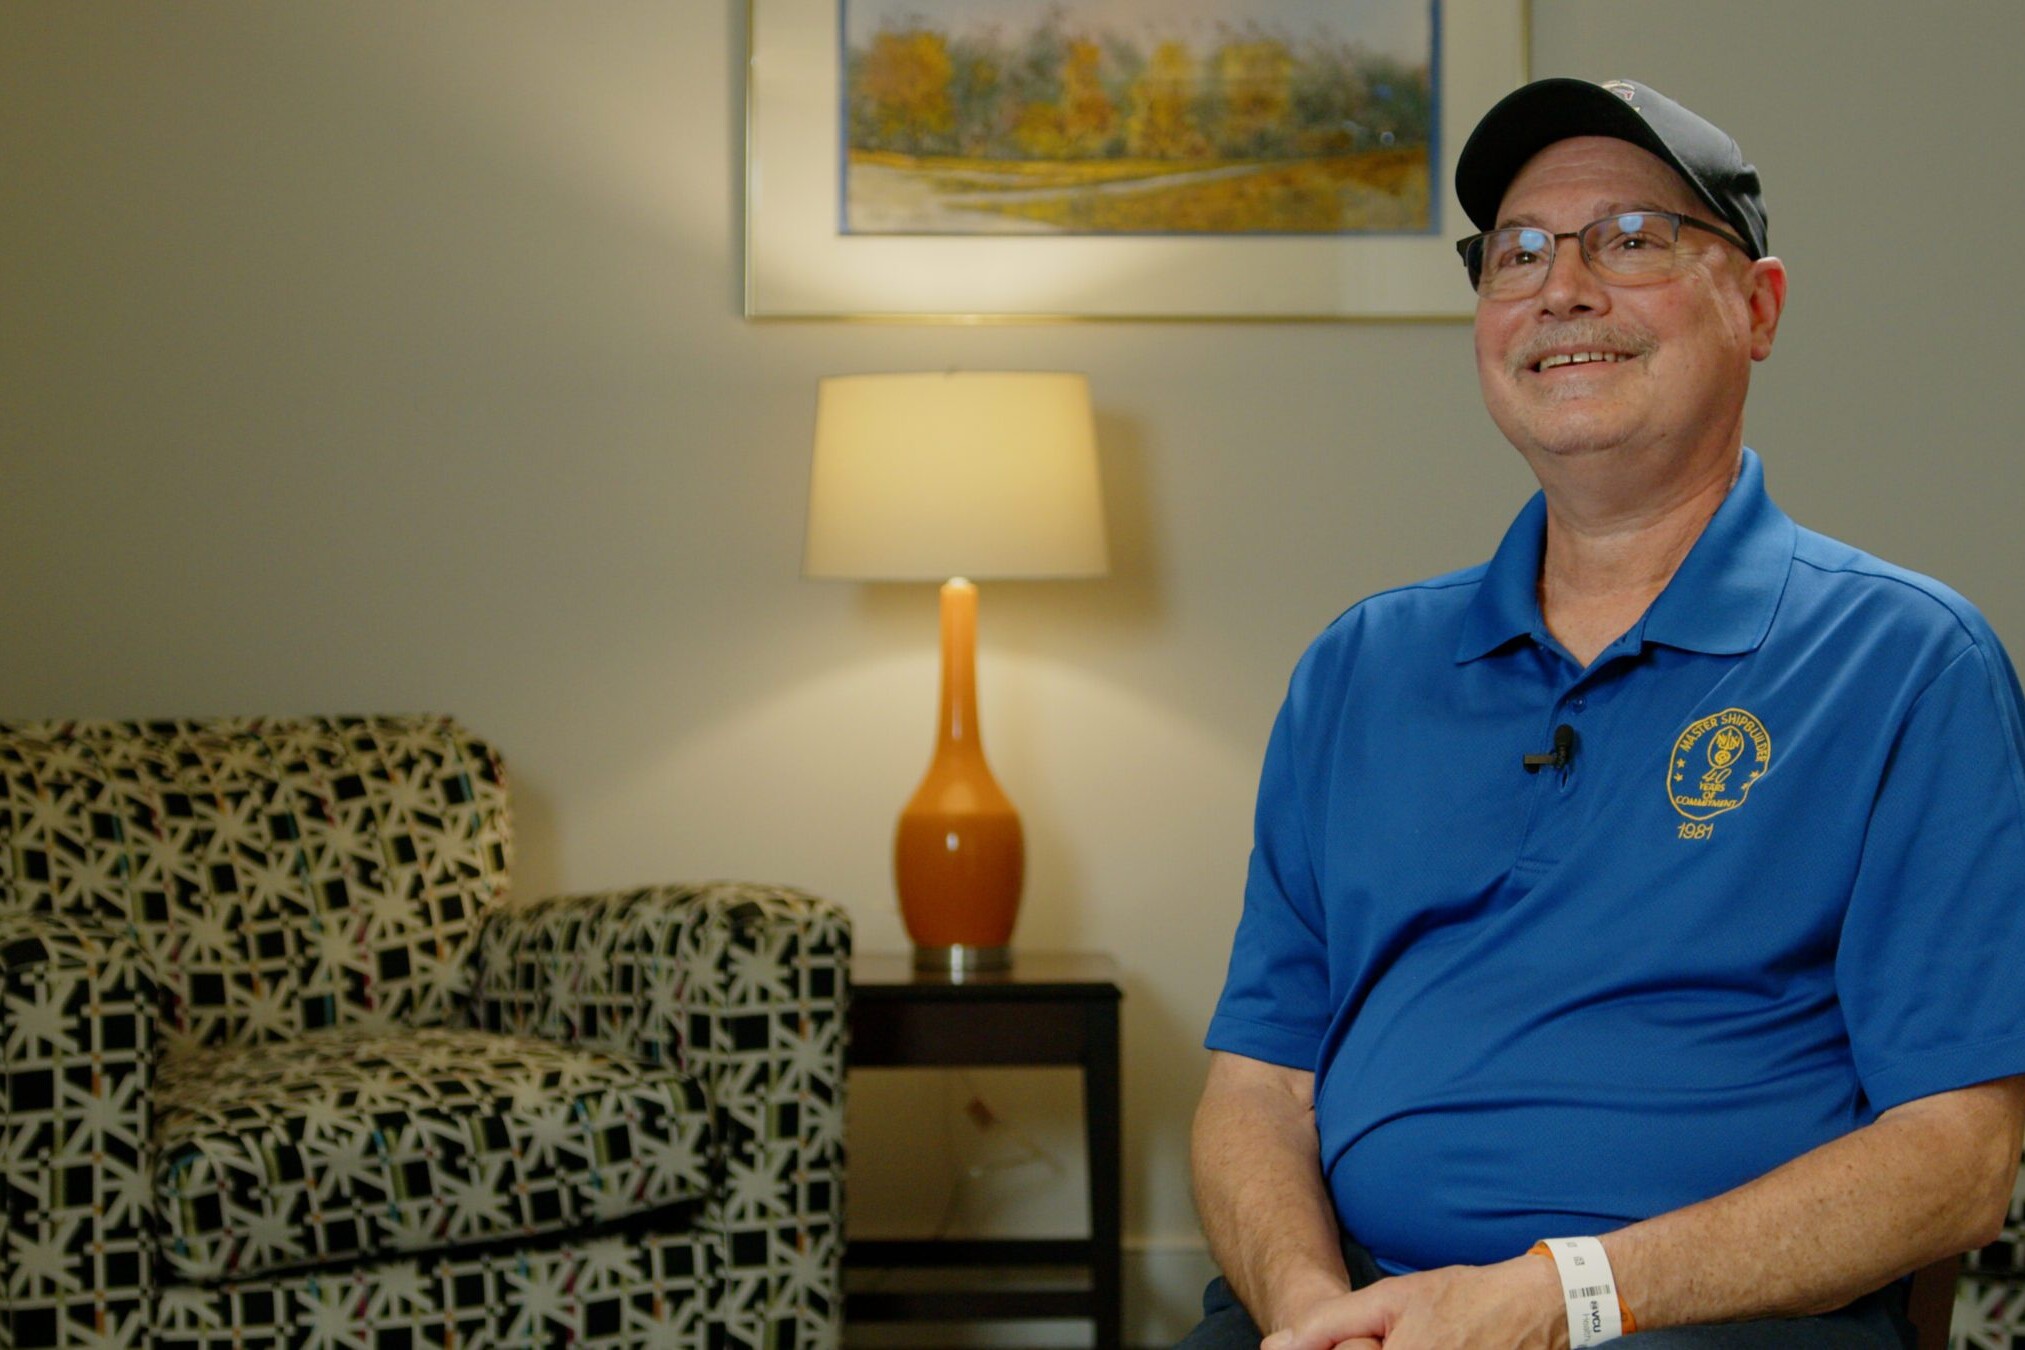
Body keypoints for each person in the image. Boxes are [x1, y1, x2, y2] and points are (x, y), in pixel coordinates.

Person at [1186, 77, 2025, 1350]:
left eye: (1629, 241)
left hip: (1703, 1320)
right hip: (1360, 1308)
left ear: (1758, 306)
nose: (1561, 288)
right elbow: (1260, 1084)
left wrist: (1552, 1299)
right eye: (1516, 254)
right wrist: (1311, 1311)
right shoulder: (1359, 669)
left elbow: (1960, 1157)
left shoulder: (1907, 662)